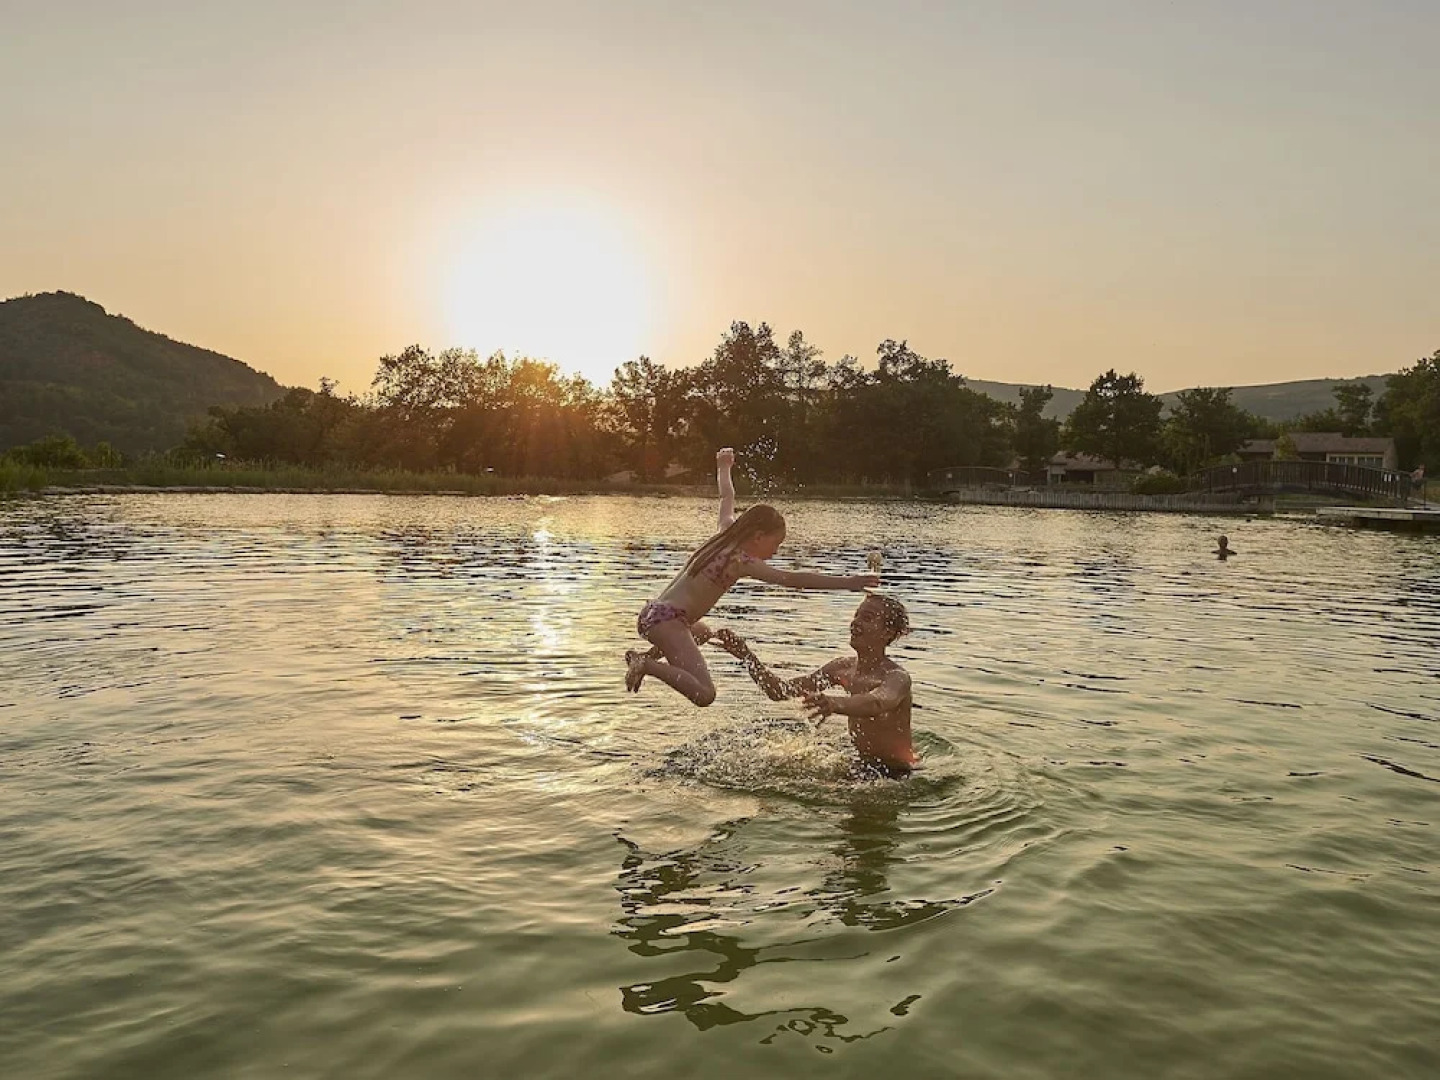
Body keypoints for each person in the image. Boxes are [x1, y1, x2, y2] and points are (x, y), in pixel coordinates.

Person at [626, 448, 878, 706]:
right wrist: (848, 582)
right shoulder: (741, 561)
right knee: (704, 694)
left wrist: (723, 467)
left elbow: (726, 496)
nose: (775, 552)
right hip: (669, 623)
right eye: (775, 544)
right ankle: (645, 663)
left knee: (703, 633)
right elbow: (792, 579)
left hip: (652, 614)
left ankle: (647, 658)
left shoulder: (724, 532)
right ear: (758, 536)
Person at [712, 594, 917, 779]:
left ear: (887, 632)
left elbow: (877, 702)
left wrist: (834, 703)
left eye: (867, 618)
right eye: (856, 615)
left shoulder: (896, 677)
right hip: (861, 764)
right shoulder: (842, 668)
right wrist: (748, 658)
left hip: (895, 772)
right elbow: (779, 691)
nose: (855, 622)